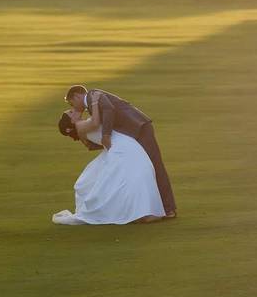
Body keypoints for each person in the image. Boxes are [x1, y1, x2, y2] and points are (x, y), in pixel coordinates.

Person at [64, 84, 177, 218]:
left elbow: (109, 109)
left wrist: (106, 135)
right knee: (144, 170)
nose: (73, 107)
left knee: (155, 166)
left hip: (138, 128)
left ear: (77, 96)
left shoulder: (93, 95)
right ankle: (157, 208)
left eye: (72, 104)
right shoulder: (91, 102)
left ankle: (168, 208)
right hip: (132, 134)